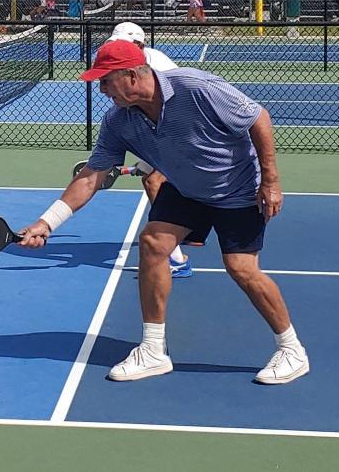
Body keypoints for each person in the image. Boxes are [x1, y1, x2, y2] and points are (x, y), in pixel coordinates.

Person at [17, 39, 309, 385]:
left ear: (131, 77)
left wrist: (271, 181)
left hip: (238, 188)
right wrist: (46, 222)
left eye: (106, 81)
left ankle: (292, 350)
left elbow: (258, 117)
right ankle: (153, 350)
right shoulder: (118, 121)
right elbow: (91, 177)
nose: (101, 89)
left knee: (241, 269)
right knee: (153, 243)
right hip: (186, 189)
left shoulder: (195, 87)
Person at [106, 22, 190, 277]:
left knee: (154, 181)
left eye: (123, 45)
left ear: (140, 46)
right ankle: (184, 232)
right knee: (153, 178)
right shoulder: (129, 68)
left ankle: (177, 260)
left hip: (182, 129)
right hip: (162, 131)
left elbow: (175, 109)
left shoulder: (157, 66)